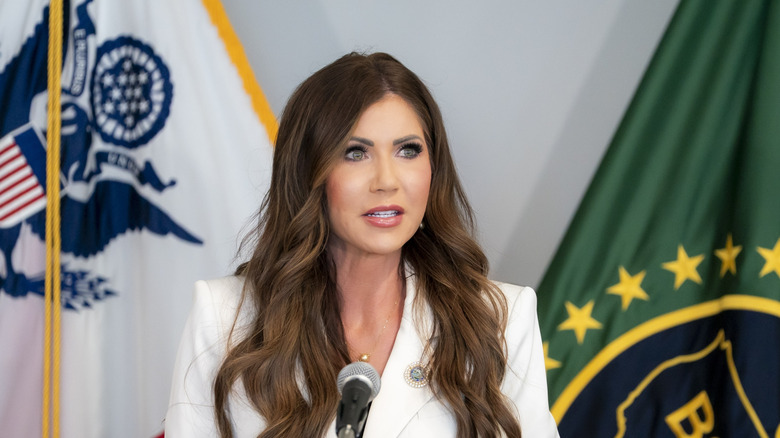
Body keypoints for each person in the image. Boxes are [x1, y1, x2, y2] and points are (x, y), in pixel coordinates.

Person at [165, 52, 559, 438]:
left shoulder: (499, 320)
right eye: (356, 153)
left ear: (433, 169)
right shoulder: (223, 318)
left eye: (408, 150)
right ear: (307, 173)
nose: (387, 180)